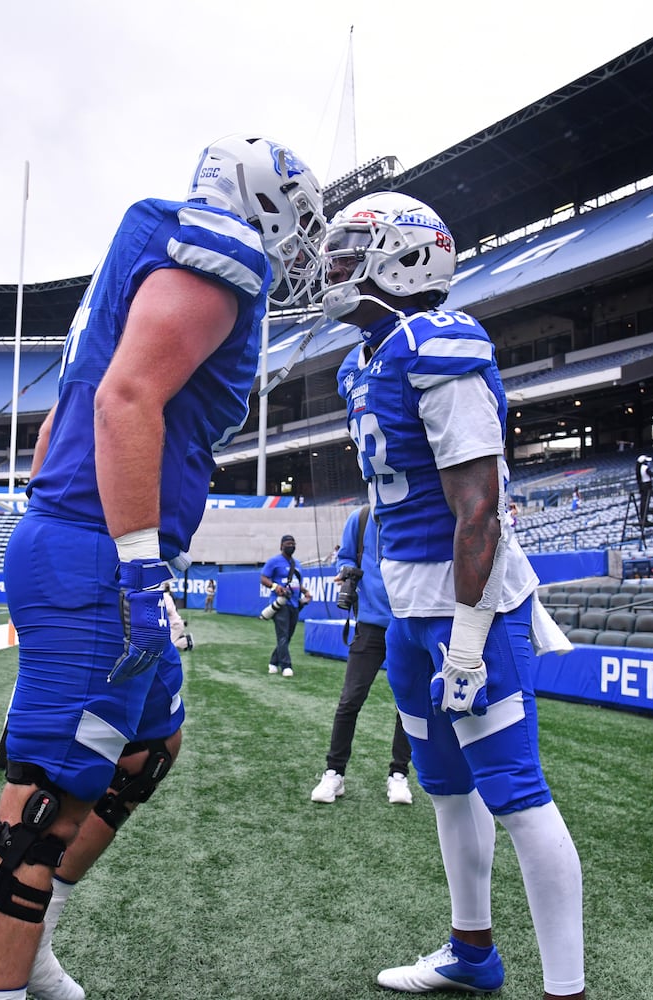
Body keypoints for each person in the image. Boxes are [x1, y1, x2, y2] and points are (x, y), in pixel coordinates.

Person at [0, 134, 324, 1000]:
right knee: (36, 814)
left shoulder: (156, 249)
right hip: (101, 552)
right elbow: (126, 396)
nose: (305, 243)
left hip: (92, 540)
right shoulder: (220, 253)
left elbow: (64, 421)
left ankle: (36, 942)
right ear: (261, 203)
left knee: (144, 751)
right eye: (301, 221)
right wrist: (129, 564)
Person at [321, 192, 584, 998]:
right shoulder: (366, 356)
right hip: (403, 602)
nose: (332, 266)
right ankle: (472, 952)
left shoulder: (440, 344)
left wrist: (468, 637)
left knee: (517, 792)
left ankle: (565, 988)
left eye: (350, 248)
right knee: (444, 785)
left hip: (466, 604)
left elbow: (479, 506)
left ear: (403, 257)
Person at [310, 504, 413, 806]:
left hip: (409, 622)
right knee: (349, 700)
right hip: (370, 625)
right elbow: (345, 556)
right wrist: (345, 573)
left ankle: (399, 775)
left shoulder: (412, 512)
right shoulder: (361, 518)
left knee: (407, 704)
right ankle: (334, 773)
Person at [259, 533, 310, 677]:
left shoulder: (297, 564)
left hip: (295, 603)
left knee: (288, 636)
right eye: (288, 544)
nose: (291, 546)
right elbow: (263, 578)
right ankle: (286, 666)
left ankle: (273, 662)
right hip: (280, 603)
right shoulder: (274, 561)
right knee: (282, 634)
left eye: (293, 544)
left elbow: (297, 583)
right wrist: (275, 587)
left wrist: (305, 592)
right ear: (281, 546)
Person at [635, 454, 653, 521]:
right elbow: (650, 473)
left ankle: (644, 517)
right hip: (646, 486)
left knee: (644, 502)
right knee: (645, 502)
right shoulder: (644, 468)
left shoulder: (641, 468)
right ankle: (644, 518)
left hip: (644, 485)